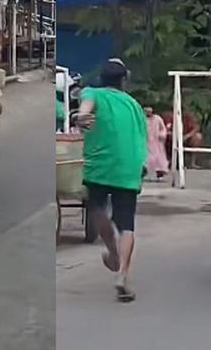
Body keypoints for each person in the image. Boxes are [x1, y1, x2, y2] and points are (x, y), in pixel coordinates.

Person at [78, 59, 147, 302]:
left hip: (100, 164)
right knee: (127, 224)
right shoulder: (134, 105)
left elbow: (86, 107)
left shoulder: (92, 92)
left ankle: (111, 250)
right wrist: (142, 165)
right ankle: (122, 274)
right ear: (123, 80)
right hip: (129, 167)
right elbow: (141, 137)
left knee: (97, 208)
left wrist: (81, 116)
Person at [144, 106, 169, 180]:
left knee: (159, 159)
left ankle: (160, 174)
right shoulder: (143, 119)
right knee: (146, 159)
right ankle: (146, 174)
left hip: (157, 142)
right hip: (146, 141)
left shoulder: (157, 119)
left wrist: (162, 135)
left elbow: (163, 128)